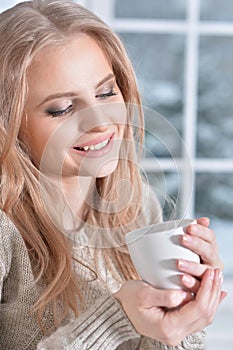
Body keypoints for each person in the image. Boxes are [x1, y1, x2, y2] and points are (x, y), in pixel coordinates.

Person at [0, 1, 225, 349]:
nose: (102, 121)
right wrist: (115, 319)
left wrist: (181, 315)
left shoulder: (136, 206)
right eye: (62, 108)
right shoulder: (6, 232)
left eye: (106, 92)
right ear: (9, 124)